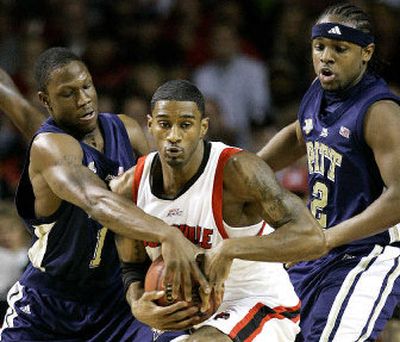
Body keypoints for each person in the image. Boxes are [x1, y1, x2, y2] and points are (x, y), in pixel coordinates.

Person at [0, 48, 209, 341]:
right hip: (49, 304)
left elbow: (169, 196)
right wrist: (167, 235)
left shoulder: (127, 130)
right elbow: (97, 201)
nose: (83, 98)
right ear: (45, 100)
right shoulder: (49, 147)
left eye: (86, 86)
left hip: (116, 301)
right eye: (68, 93)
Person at [110, 79, 328, 341]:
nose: (174, 136)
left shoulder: (237, 171)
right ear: (150, 125)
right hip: (190, 316)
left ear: (203, 127)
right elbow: (131, 264)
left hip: (258, 303)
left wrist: (230, 249)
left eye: (186, 125)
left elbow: (313, 238)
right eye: (165, 124)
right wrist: (138, 305)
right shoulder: (128, 189)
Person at [256, 3, 400, 341]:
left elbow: (399, 198)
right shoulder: (319, 91)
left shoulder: (380, 111)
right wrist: (249, 167)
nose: (326, 57)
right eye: (319, 47)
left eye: (339, 49)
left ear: (366, 52)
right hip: (318, 249)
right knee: (273, 333)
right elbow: (298, 134)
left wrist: (326, 239)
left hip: (370, 252)